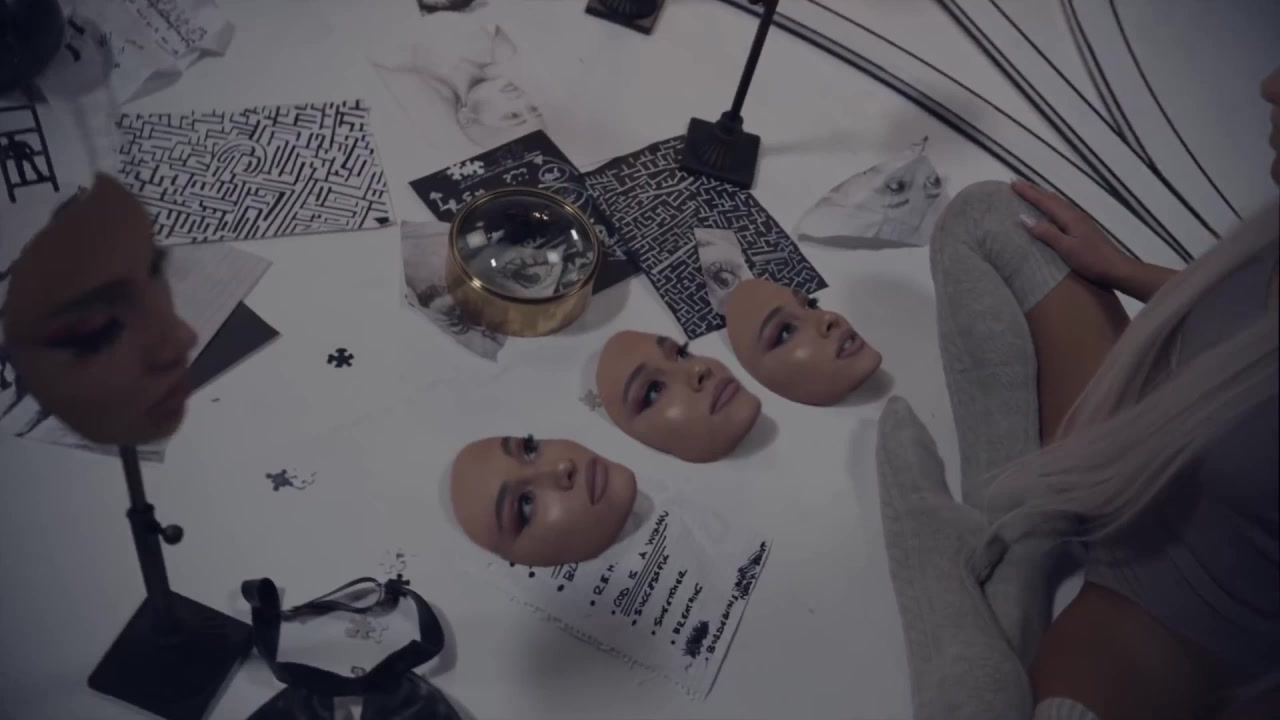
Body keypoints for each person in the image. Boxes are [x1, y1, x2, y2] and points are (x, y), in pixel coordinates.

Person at [877, 66, 1280, 720]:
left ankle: (943, 563)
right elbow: (1250, 314)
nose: (1269, 85)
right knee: (987, 216)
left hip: (1179, 588)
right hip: (1138, 419)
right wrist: (1124, 270)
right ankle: (1023, 536)